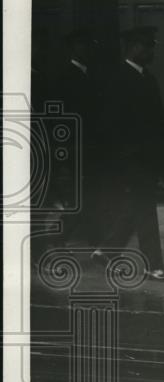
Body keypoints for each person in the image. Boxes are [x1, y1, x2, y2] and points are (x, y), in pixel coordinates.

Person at [93, 26, 164, 282]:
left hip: (147, 157)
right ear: (132, 47)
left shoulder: (147, 78)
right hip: (132, 158)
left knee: (139, 205)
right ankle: (153, 265)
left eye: (151, 45)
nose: (151, 50)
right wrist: (126, 156)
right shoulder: (118, 78)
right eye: (146, 45)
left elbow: (158, 122)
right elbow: (111, 124)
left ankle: (107, 250)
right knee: (146, 209)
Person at [53, 28, 105, 247]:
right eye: (81, 45)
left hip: (92, 145)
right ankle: (60, 237)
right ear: (72, 48)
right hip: (75, 144)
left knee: (90, 191)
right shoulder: (65, 76)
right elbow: (61, 116)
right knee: (78, 194)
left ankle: (90, 235)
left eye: (88, 45)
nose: (86, 50)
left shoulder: (91, 74)